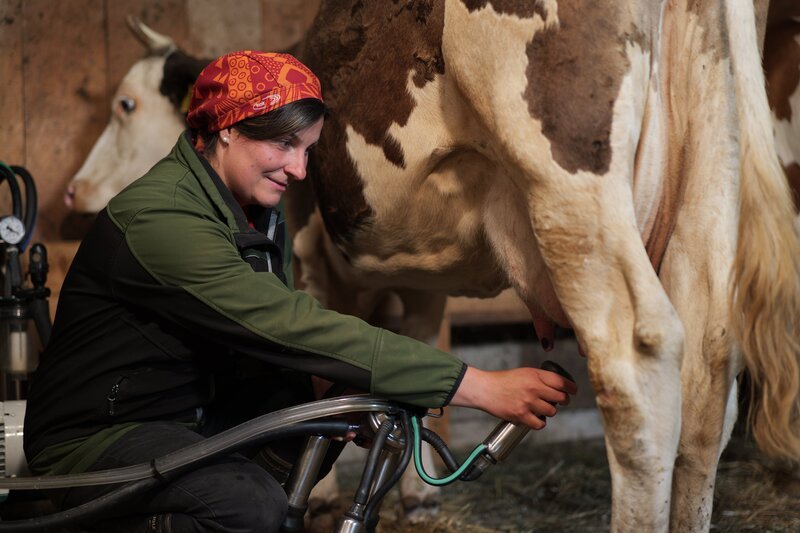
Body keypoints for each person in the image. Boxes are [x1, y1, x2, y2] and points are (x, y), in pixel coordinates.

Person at [23, 51, 577, 532]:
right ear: (227, 129)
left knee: (336, 397)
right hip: (99, 440)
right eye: (285, 144)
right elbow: (284, 326)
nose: (299, 169)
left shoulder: (256, 210)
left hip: (195, 412)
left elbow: (264, 347)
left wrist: (343, 389)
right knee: (243, 507)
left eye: (308, 150)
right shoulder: (160, 216)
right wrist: (475, 385)